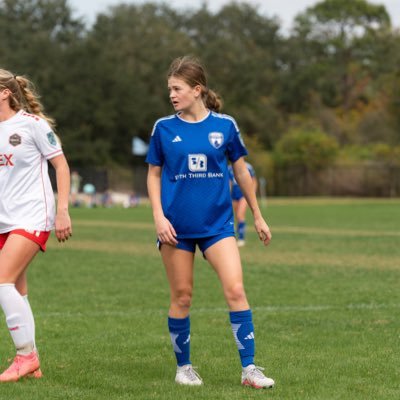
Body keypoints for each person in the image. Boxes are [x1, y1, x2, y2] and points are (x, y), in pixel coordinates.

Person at [146, 56, 274, 389]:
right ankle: (184, 367)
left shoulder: (225, 126)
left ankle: (250, 370)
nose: (172, 95)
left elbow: (242, 172)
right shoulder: (163, 128)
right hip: (176, 228)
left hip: (218, 225)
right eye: (170, 89)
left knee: (235, 289)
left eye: (177, 89)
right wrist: (158, 217)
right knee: (183, 297)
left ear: (196, 89)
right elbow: (153, 174)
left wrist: (257, 215)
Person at [0, 69, 72, 381]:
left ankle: (25, 355)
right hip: (4, 219)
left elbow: (61, 164)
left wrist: (63, 211)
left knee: (1, 282)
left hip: (32, 216)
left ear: (5, 92)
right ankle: (34, 364)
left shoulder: (32, 125)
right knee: (16, 288)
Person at [228, 162, 257, 247]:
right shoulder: (229, 168)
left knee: (240, 215)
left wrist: (252, 194)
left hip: (244, 195)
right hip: (234, 195)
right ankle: (235, 237)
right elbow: (229, 183)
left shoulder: (248, 167)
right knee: (236, 216)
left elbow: (254, 181)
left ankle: (241, 238)